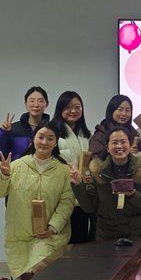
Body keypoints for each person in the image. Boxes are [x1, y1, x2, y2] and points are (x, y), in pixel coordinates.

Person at [0, 121, 74, 278]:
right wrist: (4, 176)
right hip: (18, 235)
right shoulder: (16, 166)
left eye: (50, 139)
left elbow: (66, 203)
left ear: (56, 143)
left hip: (48, 236)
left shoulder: (63, 170)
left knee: (37, 277)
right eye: (40, 137)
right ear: (33, 138)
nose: (44, 142)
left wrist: (53, 227)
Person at [71, 127, 141, 240]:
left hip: (137, 233)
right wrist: (78, 184)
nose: (119, 146)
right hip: (106, 234)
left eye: (123, 142)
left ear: (130, 145)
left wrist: (133, 195)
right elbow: (89, 207)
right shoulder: (98, 172)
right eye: (114, 142)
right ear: (107, 148)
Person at [51, 91, 92, 244]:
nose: (73, 111)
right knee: (61, 241)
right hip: (61, 195)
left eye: (77, 107)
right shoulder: (53, 132)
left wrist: (89, 174)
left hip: (82, 196)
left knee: (80, 241)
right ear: (60, 109)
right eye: (68, 107)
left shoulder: (86, 134)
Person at [0, 86, 50, 161]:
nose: (36, 105)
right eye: (32, 101)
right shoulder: (13, 129)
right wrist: (4, 132)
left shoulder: (53, 129)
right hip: (18, 168)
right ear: (26, 103)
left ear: (47, 104)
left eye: (40, 101)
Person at [89, 95, 141, 160]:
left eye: (127, 110)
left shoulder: (134, 134)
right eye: (120, 109)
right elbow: (96, 160)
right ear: (111, 111)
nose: (124, 114)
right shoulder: (101, 134)